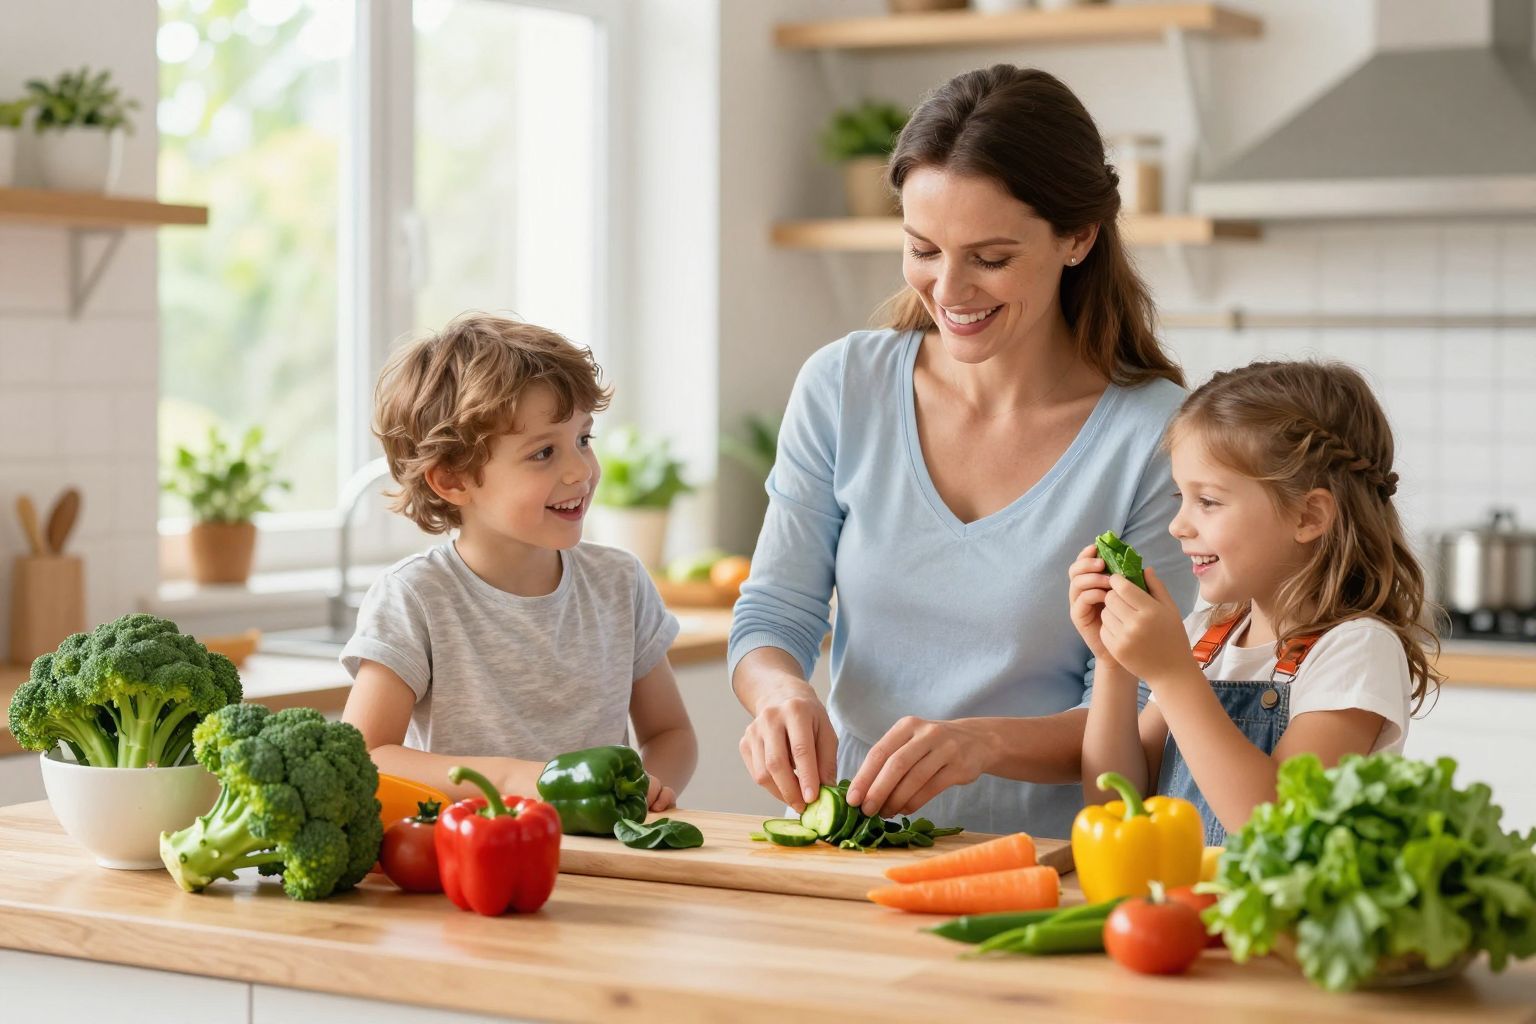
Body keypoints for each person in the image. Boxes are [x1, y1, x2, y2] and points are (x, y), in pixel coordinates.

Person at [729, 65, 1196, 838]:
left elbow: (1142, 712)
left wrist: (981, 742)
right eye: (922, 248)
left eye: (990, 258)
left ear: (1077, 238)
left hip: (1046, 864)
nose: (947, 289)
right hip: (852, 849)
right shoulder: (843, 385)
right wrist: (780, 691)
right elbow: (774, 613)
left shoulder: (1154, 437)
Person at [1071, 360, 1439, 845]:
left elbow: (1278, 828)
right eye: (1181, 496)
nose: (1178, 525)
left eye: (1208, 501)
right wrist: (1113, 663)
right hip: (1186, 916)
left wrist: (1172, 674)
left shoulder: (1356, 650)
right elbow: (1116, 806)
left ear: (1308, 515)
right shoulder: (1208, 638)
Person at [340, 313, 697, 806]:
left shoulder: (620, 582)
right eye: (543, 453)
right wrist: (510, 780)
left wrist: (646, 793)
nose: (581, 470)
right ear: (453, 480)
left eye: (583, 440)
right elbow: (368, 757)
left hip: (602, 861)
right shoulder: (416, 598)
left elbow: (671, 732)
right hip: (473, 861)